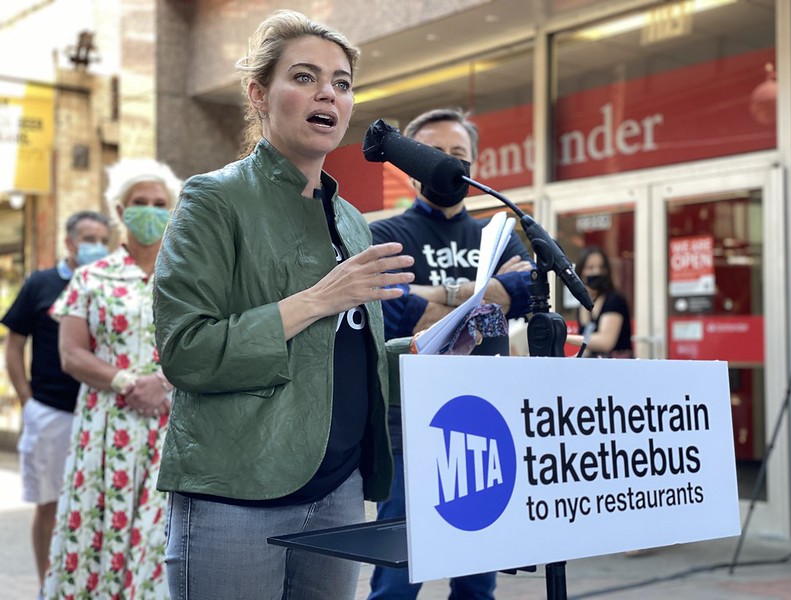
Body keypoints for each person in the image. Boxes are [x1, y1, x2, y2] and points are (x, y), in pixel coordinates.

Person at [152, 10, 413, 600]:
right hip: (235, 492)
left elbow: (343, 354)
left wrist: (428, 348)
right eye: (304, 76)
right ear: (258, 94)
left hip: (339, 488)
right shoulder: (213, 199)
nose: (328, 92)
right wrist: (320, 299)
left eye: (342, 83)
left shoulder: (351, 221)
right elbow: (186, 352)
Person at [368, 108, 535, 600]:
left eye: (459, 155)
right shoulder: (382, 235)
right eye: (435, 155)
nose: (448, 165)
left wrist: (436, 295)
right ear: (412, 164)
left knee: (478, 578)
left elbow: (522, 289)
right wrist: (483, 292)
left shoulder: (497, 234)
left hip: (484, 416)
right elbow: (397, 309)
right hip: (407, 417)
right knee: (398, 577)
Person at [41, 159, 182, 599]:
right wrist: (127, 382)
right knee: (97, 529)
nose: (150, 211)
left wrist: (164, 382)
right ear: (120, 211)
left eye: (160, 204)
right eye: (140, 203)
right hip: (106, 429)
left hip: (172, 426)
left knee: (161, 540)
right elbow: (71, 353)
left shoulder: (192, 276)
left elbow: (211, 340)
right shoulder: (90, 277)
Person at [1, 210, 110, 586]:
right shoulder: (41, 283)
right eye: (88, 238)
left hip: (101, 412)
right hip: (50, 410)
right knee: (49, 503)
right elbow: (14, 345)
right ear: (69, 242)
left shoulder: (110, 283)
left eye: (102, 239)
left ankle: (85, 583)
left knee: (96, 503)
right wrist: (26, 401)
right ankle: (47, 585)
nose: (95, 246)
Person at [566, 245, 633, 358]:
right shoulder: (582, 304)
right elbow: (589, 347)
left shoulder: (614, 300)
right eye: (590, 268)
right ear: (581, 272)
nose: (596, 272)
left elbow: (605, 342)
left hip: (618, 367)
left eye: (601, 267)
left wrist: (565, 337)